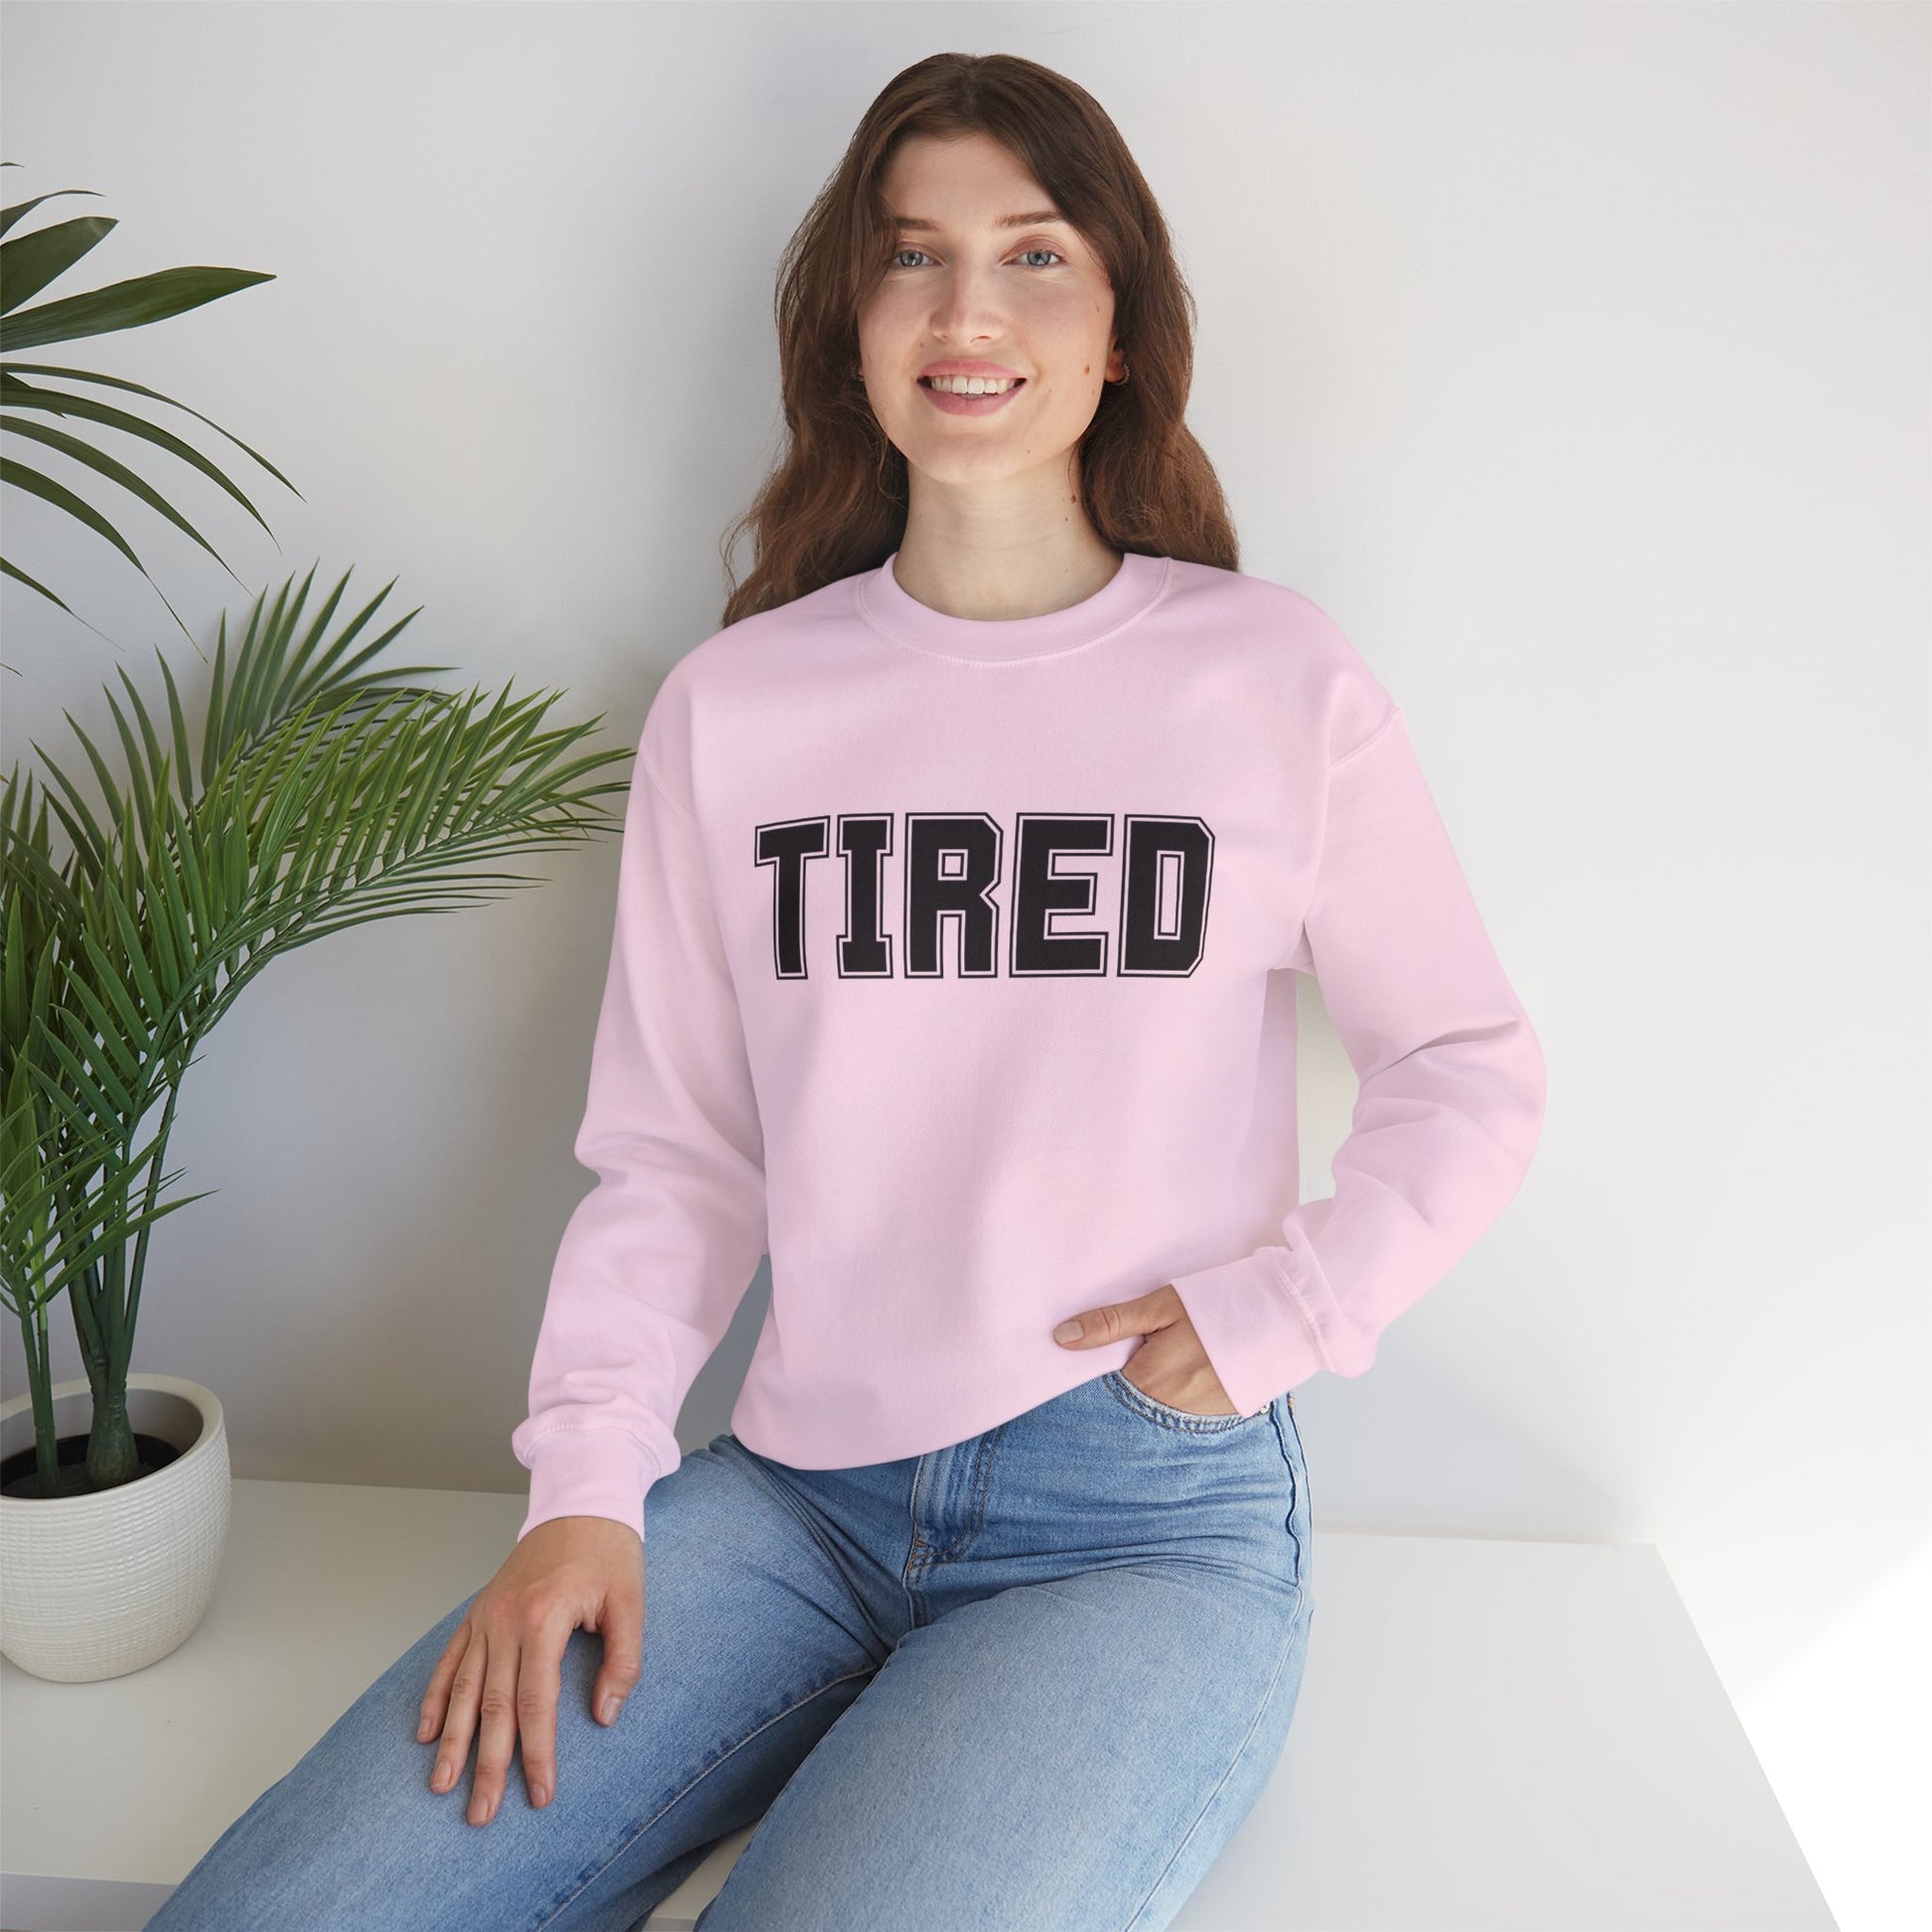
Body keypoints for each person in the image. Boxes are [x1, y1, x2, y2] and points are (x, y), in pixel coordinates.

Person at [147, 50, 1546, 1932]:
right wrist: (585, 1487)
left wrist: (1287, 1306)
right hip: (794, 1495)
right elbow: (678, 1156)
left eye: (1032, 255)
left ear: (1119, 328)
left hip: (1136, 1521)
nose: (966, 310)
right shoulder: (739, 709)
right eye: (910, 256)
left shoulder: (1271, 681)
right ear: (853, 323)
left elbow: (1464, 1062)